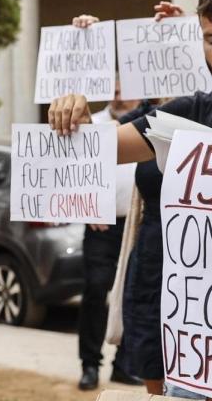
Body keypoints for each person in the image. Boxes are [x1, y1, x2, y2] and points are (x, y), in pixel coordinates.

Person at [49, 0, 212, 397]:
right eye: (211, 40)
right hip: (176, 306)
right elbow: (97, 146)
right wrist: (74, 107)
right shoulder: (187, 112)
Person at [78, 81, 144, 391]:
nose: (120, 94)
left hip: (139, 226)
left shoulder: (150, 123)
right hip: (101, 227)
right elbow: (74, 171)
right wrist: (87, 207)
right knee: (94, 291)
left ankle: (123, 364)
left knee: (133, 296)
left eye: (125, 88)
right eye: (115, 88)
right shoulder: (94, 124)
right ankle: (90, 364)